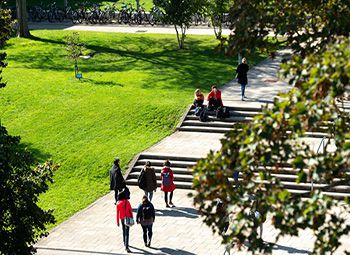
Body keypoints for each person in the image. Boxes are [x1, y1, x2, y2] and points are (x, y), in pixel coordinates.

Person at [116, 188, 134, 253]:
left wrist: (117, 221)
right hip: (127, 217)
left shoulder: (118, 203)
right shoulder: (127, 202)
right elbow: (130, 210)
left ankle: (124, 241)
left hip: (122, 218)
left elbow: (117, 213)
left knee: (123, 230)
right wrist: (132, 217)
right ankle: (126, 246)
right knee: (127, 232)